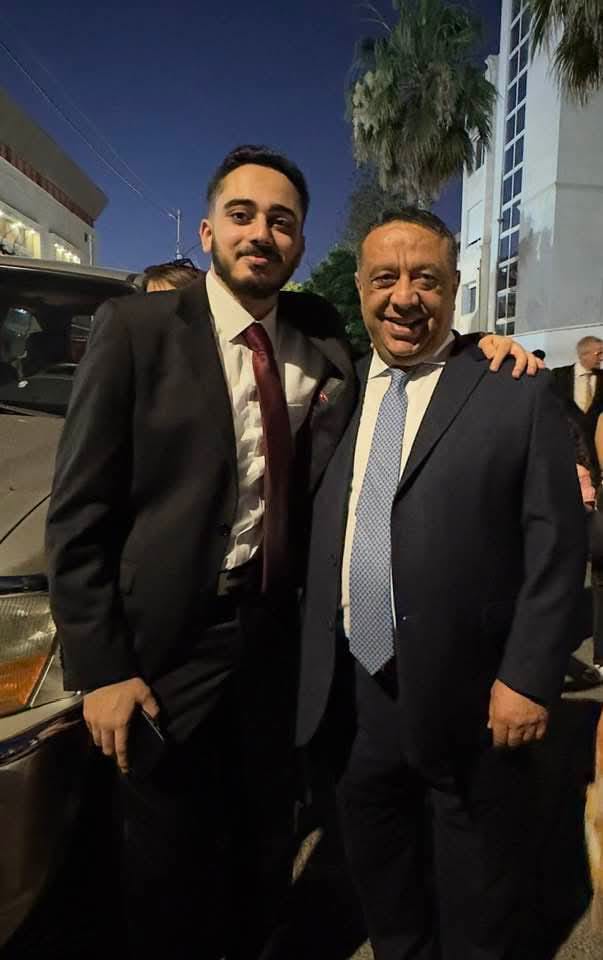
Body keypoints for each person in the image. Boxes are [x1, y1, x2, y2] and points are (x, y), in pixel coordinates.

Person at [46, 144, 536, 959]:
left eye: (281, 221)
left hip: (281, 639)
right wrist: (101, 669)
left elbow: (409, 339)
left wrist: (483, 348)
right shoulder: (134, 330)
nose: (260, 234)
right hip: (165, 646)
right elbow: (77, 515)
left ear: (300, 244)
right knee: (164, 856)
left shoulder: (319, 336)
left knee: (265, 838)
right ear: (208, 230)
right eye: (241, 215)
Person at [297, 208, 587, 960]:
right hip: (351, 689)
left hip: (472, 691)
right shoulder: (331, 390)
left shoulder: (514, 390)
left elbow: (556, 545)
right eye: (384, 278)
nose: (404, 297)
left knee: (477, 888)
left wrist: (528, 676)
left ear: (454, 287)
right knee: (381, 872)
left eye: (424, 278)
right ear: (359, 287)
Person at [552, 335, 603, 480]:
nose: (601, 358)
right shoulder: (558, 376)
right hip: (564, 454)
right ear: (583, 354)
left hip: (596, 458)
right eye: (598, 353)